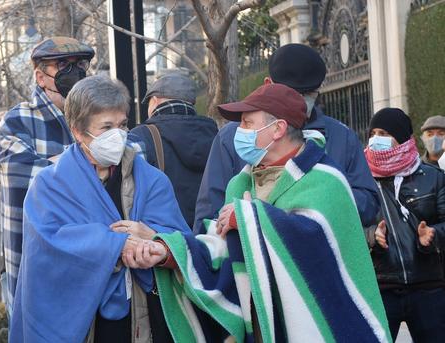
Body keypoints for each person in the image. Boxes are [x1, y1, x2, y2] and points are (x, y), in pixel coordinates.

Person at [125, 83, 391, 342]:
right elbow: (221, 247)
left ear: (278, 129)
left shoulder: (325, 180)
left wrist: (249, 218)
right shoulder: (241, 183)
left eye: (247, 123)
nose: (238, 131)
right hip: (260, 325)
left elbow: (314, 244)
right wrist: (168, 252)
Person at [8, 75, 191, 342]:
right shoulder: (50, 186)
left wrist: (155, 240)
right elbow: (47, 248)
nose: (118, 135)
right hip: (82, 325)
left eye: (123, 124)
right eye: (106, 127)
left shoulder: (151, 180)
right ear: (78, 131)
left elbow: (182, 244)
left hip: (142, 320)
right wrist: (116, 245)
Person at [194, 43, 379, 233]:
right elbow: (209, 216)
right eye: (289, 93)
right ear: (268, 85)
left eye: (306, 94)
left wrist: (319, 201)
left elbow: (368, 203)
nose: (297, 101)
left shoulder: (342, 137)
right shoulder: (232, 138)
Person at [0, 36, 95, 308]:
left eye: (80, 64)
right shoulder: (20, 120)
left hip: (90, 272)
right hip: (36, 275)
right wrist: (90, 165)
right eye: (62, 65)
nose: (74, 73)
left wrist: (56, 164)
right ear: (41, 77)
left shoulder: (98, 121)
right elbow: (25, 178)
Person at [363, 108, 445, 342]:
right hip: (380, 288)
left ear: (401, 137)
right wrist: (371, 236)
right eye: (374, 132)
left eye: (385, 133)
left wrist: (432, 235)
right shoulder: (360, 178)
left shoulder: (433, 177)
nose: (376, 139)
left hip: (427, 287)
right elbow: (348, 226)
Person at [130, 72, 217, 228]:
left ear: (155, 100)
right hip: (209, 233)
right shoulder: (214, 133)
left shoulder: (141, 135)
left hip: (164, 237)